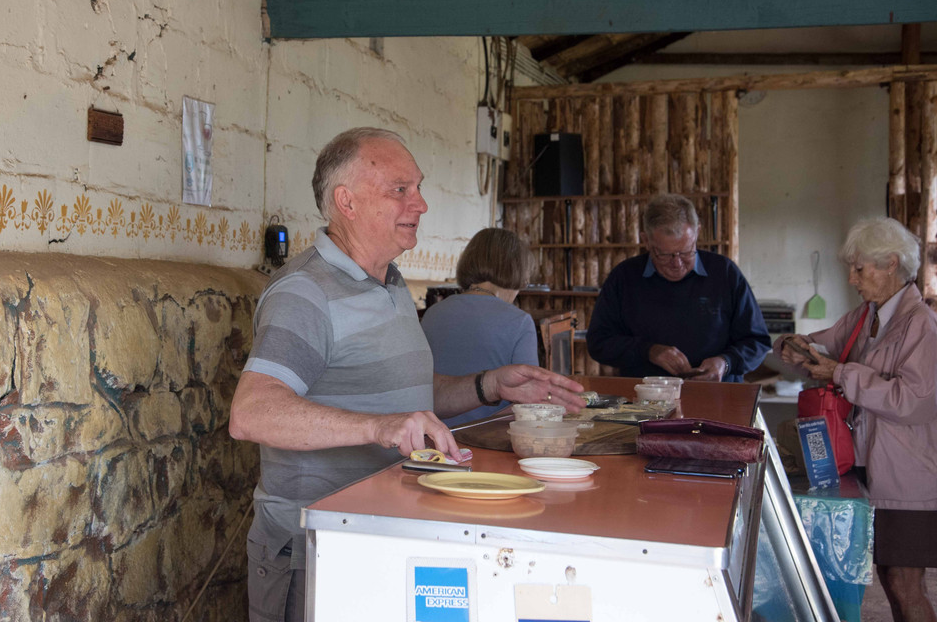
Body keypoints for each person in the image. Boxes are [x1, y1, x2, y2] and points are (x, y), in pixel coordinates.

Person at [229, 127, 585, 622]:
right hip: (315, 546)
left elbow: (411, 400)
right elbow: (252, 412)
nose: (419, 205)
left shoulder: (390, 284)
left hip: (383, 530)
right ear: (346, 202)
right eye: (400, 190)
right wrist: (377, 427)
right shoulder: (303, 292)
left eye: (418, 188)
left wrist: (488, 385)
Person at [777, 218, 937, 622]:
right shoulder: (867, 315)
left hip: (908, 477)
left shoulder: (923, 325)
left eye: (859, 268)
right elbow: (823, 344)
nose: (851, 278)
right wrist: (794, 346)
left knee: (904, 581)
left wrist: (841, 373)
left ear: (891, 265)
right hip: (870, 467)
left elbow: (913, 401)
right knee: (889, 575)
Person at [586, 193, 770, 382]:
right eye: (664, 254)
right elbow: (598, 342)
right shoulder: (624, 277)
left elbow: (757, 342)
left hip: (717, 395)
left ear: (697, 233)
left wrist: (726, 362)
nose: (677, 263)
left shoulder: (724, 273)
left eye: (686, 251)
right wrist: (648, 351)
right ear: (646, 241)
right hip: (644, 401)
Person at [421, 227, 539, 427]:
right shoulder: (519, 322)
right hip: (489, 443)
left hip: (433, 441)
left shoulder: (432, 314)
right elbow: (528, 404)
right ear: (516, 271)